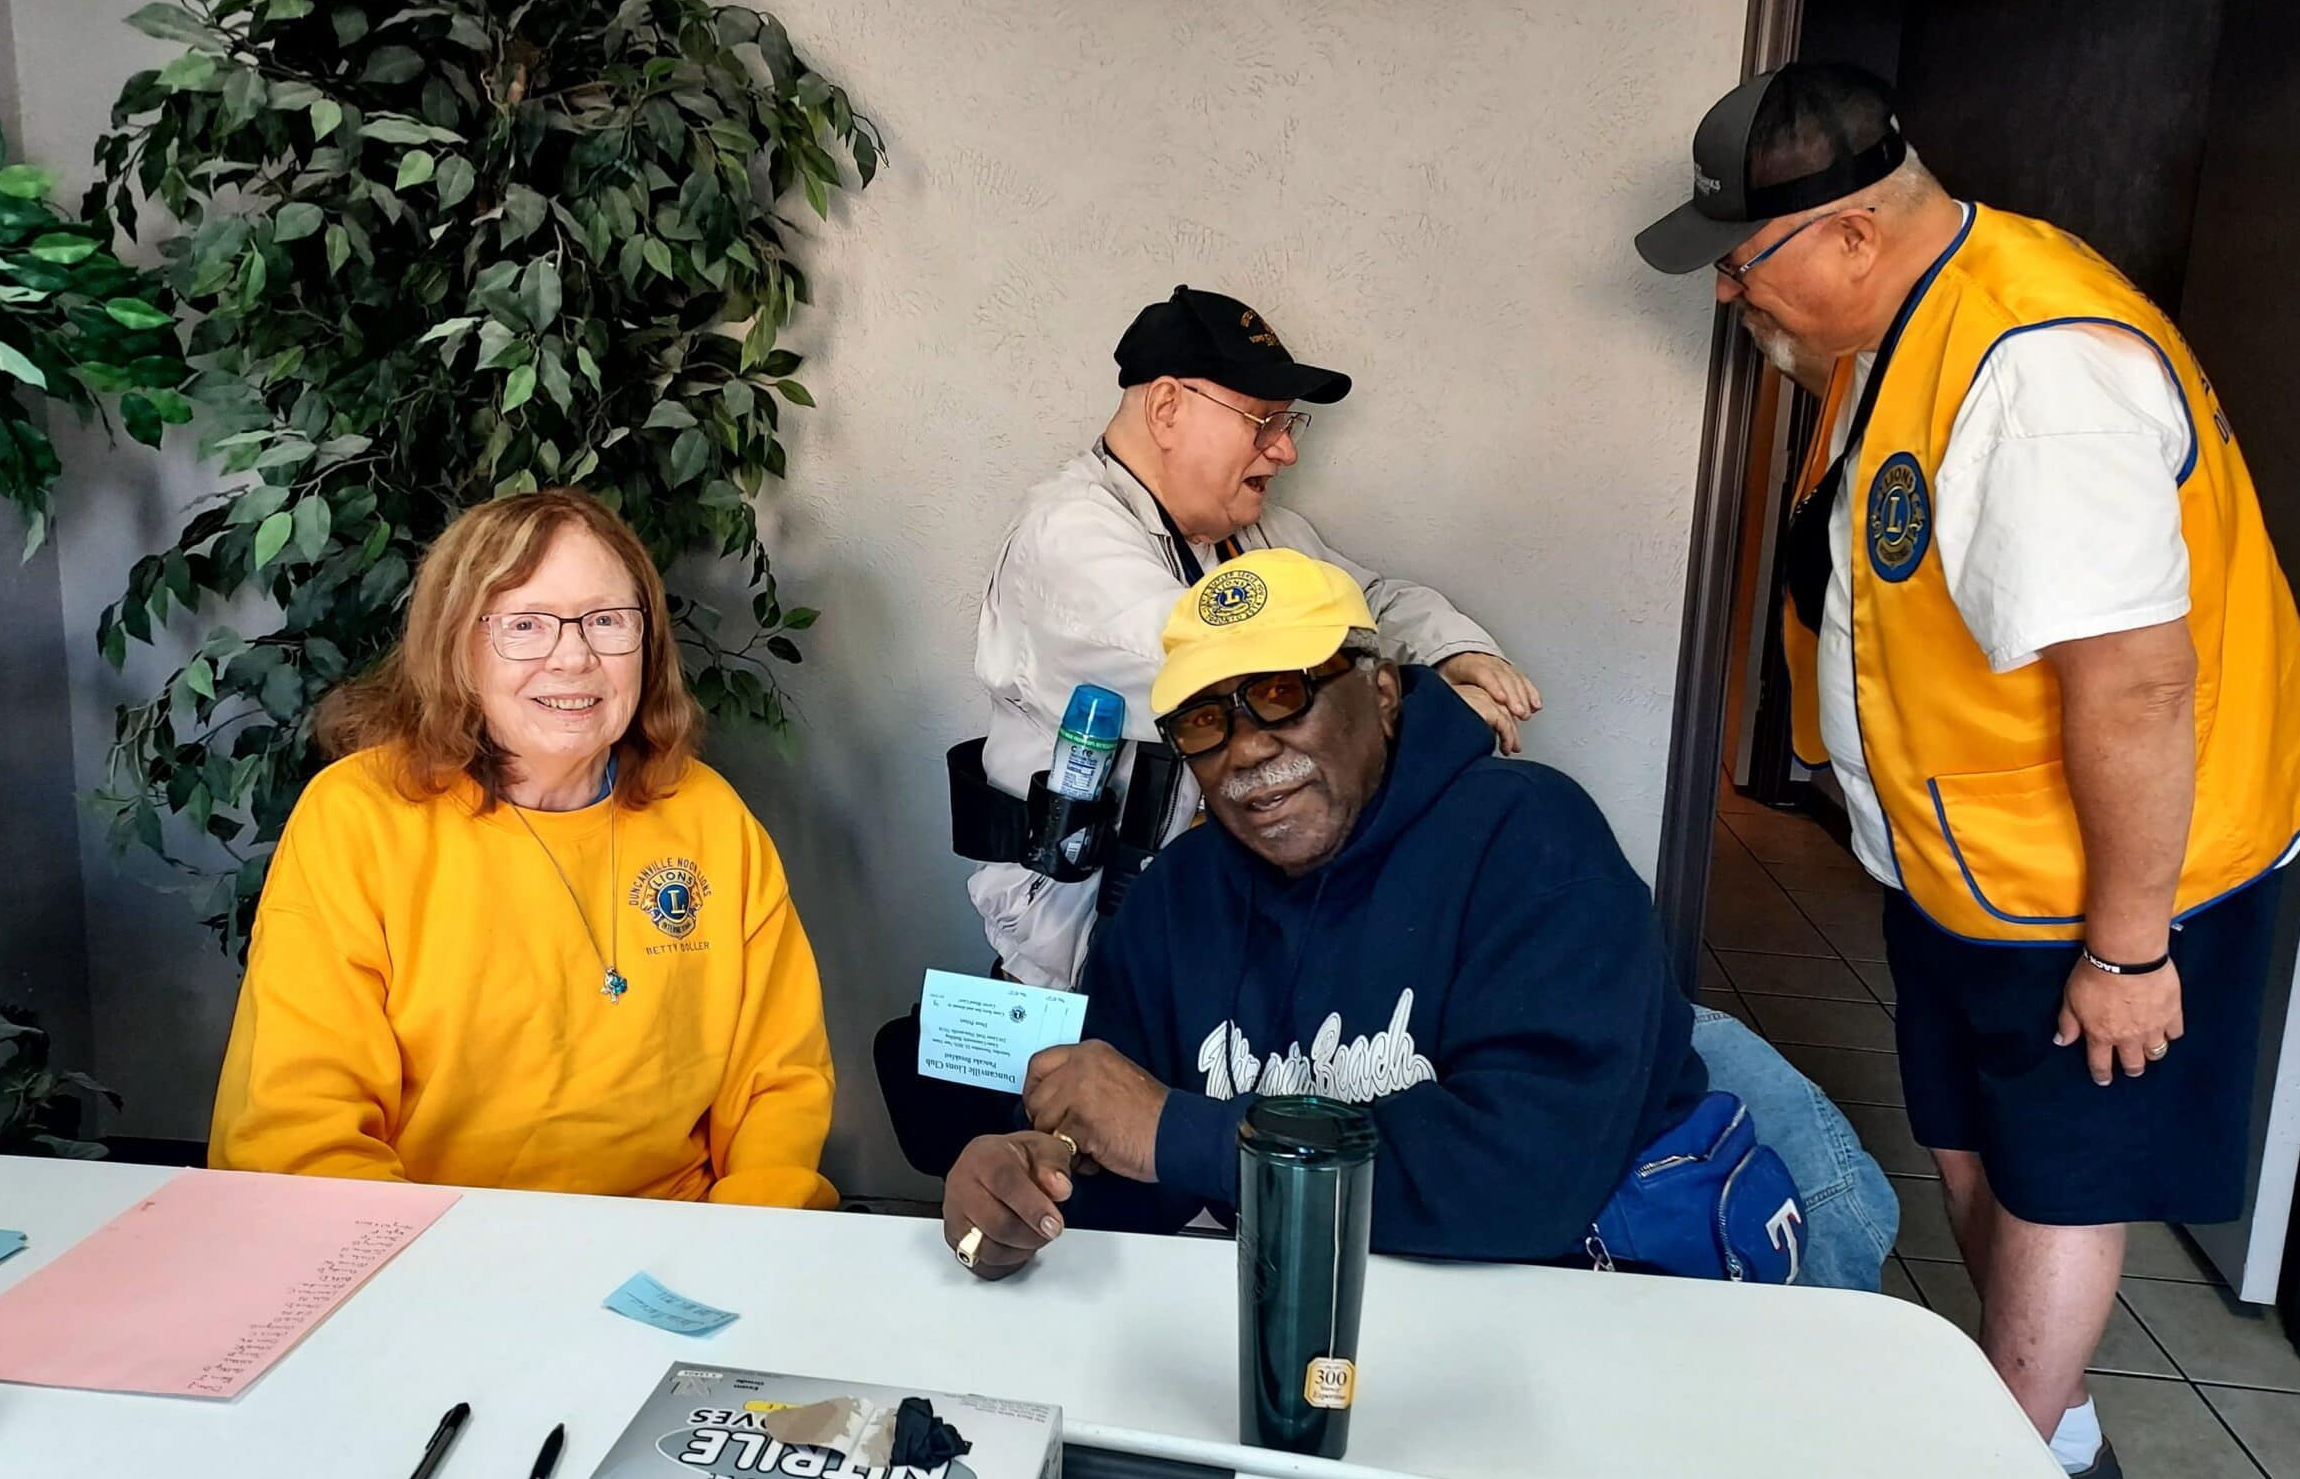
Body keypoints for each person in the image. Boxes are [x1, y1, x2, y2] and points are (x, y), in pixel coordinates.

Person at [1636, 62, 2300, 1479]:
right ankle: (2056, 1429)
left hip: (2099, 879)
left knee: (2061, 1170)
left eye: (1743, 262)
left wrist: (2129, 945)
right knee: (1977, 1132)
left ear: (1848, 235)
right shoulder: (1902, 336)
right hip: (1969, 863)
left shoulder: (2037, 371)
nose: (1730, 296)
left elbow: (2139, 684)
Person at [938, 550, 1844, 1283]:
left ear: (1381, 692)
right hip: (1307, 1332)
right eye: (1206, 720)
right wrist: (1034, 1181)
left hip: (1564, 1313)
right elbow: (1131, 1159)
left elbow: (1524, 1177)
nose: (1249, 747)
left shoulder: (1532, 839)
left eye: (1284, 693)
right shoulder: (1176, 901)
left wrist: (1183, 1132)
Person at [209, 488, 837, 1207]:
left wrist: (742, 1252)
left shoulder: (709, 817)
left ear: (647, 643)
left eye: (605, 621)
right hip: (426, 1253)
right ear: (457, 645)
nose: (573, 658)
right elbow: (299, 1133)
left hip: (673, 1250)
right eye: (526, 625)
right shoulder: (357, 820)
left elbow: (777, 1088)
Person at [968, 284, 1541, 992]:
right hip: (1089, 957)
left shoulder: (1245, 530)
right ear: (1168, 408)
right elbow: (1228, 682)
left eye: (1288, 421)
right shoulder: (1069, 539)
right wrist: (1434, 710)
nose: (1287, 451)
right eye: (1262, 421)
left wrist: (1458, 651)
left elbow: (1373, 603)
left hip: (1221, 925)